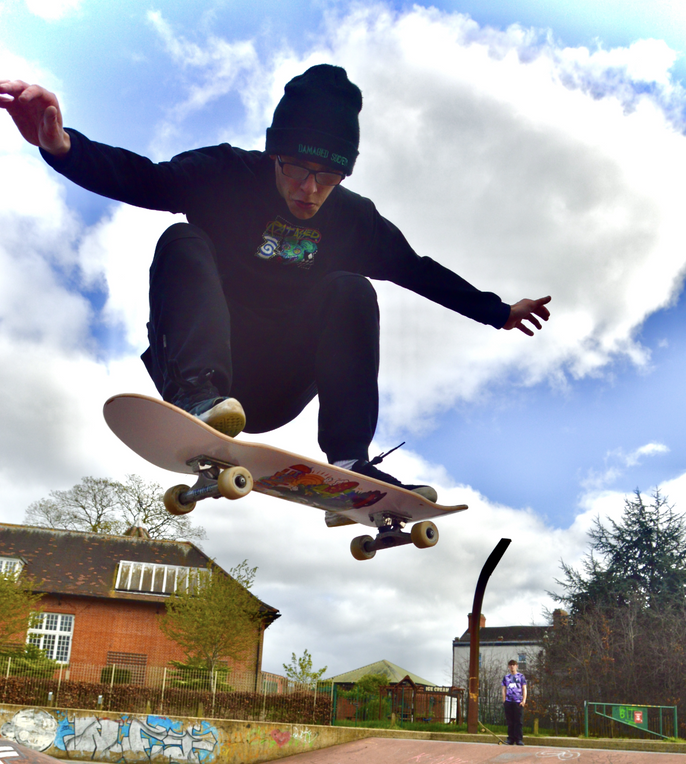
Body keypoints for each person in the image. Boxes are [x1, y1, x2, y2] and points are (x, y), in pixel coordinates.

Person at [0, 66, 551, 508]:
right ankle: (196, 394)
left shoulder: (354, 220)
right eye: (295, 171)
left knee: (352, 288)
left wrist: (496, 311)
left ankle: (351, 457)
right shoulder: (225, 174)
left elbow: (417, 268)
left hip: (277, 386)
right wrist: (63, 146)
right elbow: (146, 178)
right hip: (206, 364)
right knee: (183, 238)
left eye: (328, 178)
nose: (310, 191)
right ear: (272, 153)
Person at [502, 658, 527, 745]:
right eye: (511, 665)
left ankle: (519, 739)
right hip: (509, 701)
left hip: (518, 702)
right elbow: (503, 689)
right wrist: (504, 700)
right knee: (510, 721)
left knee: (518, 721)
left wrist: (523, 700)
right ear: (509, 667)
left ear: (516, 666)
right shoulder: (506, 677)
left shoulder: (521, 677)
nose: (512, 667)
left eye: (514, 665)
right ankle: (510, 739)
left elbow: (524, 688)